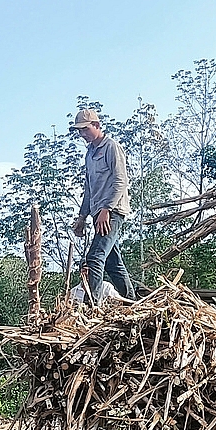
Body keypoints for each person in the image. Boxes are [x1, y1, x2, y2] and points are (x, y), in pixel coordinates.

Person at [70, 108, 135, 305]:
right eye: (79, 130)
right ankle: (131, 302)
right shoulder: (89, 155)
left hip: (112, 211)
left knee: (95, 258)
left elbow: (120, 181)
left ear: (97, 125)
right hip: (99, 214)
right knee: (112, 262)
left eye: (85, 129)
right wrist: (82, 217)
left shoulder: (111, 147)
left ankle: (93, 305)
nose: (82, 134)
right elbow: (89, 188)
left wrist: (106, 209)